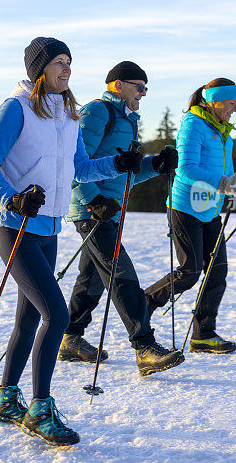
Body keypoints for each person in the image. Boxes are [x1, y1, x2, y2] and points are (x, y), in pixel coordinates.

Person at [0, 37, 143, 447]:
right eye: (58, 62)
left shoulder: (67, 115)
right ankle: (39, 408)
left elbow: (79, 168)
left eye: (69, 62)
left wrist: (116, 163)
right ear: (39, 69)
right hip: (16, 228)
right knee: (57, 314)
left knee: (31, 318)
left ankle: (5, 397)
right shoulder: (15, 108)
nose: (66, 69)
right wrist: (11, 197)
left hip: (50, 229)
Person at [60, 61, 185, 376]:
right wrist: (93, 200)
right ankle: (144, 346)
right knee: (121, 273)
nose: (142, 94)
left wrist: (156, 164)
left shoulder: (127, 121)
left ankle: (70, 338)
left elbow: (125, 173)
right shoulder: (97, 112)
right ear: (117, 84)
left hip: (107, 209)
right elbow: (74, 165)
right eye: (139, 87)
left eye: (146, 89)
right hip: (92, 210)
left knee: (91, 280)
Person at [144, 77, 236, 354]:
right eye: (231, 103)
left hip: (210, 209)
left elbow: (222, 171)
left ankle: (204, 334)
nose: (234, 110)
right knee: (189, 273)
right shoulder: (193, 125)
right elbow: (186, 169)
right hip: (186, 208)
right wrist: (223, 184)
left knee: (217, 271)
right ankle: (143, 303)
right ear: (214, 101)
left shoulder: (223, 129)